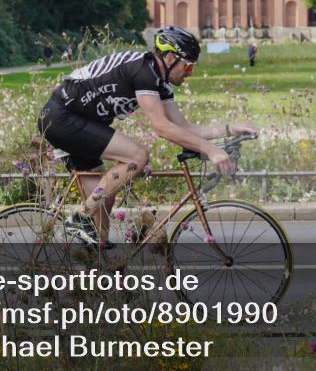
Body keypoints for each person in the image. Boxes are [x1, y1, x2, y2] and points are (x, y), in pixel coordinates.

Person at [37, 26, 257, 248]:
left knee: (104, 197)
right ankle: (79, 219)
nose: (190, 72)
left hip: (78, 121)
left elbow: (183, 127)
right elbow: (162, 128)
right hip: (62, 118)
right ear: (170, 57)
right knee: (138, 157)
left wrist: (230, 128)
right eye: (188, 65)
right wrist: (211, 149)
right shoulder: (144, 71)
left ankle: (97, 267)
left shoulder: (159, 82)